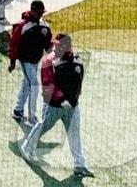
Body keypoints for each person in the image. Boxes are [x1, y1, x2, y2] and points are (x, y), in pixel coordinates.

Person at [20, 35, 89, 176]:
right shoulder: (49, 61)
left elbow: (79, 81)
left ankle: (79, 165)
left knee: (74, 134)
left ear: (68, 46)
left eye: (61, 46)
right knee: (43, 126)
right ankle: (27, 147)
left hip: (72, 106)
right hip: (53, 105)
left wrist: (74, 99)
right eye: (56, 45)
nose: (57, 48)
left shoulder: (77, 60)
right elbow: (48, 83)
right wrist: (61, 98)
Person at [9, 0, 53, 126]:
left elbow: (48, 45)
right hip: (25, 60)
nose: (40, 15)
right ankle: (31, 117)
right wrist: (12, 62)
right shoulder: (22, 25)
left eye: (41, 13)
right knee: (34, 85)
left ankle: (18, 110)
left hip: (35, 60)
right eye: (38, 12)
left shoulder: (44, 26)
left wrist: (54, 58)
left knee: (27, 84)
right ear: (32, 10)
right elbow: (13, 43)